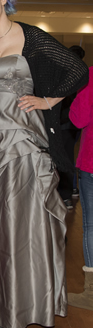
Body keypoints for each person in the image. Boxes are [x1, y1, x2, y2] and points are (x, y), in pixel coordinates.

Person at [0, 0, 89, 328]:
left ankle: (31, 302)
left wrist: (49, 100)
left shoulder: (31, 36)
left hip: (27, 144)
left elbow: (77, 71)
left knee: (27, 225)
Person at [68, 65, 93, 311]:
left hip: (91, 161)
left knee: (91, 225)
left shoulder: (91, 76)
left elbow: (78, 118)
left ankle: (91, 293)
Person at [57, 45, 85, 209]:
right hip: (71, 125)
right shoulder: (81, 75)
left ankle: (66, 194)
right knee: (67, 157)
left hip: (66, 124)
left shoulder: (70, 75)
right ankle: (69, 191)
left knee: (64, 158)